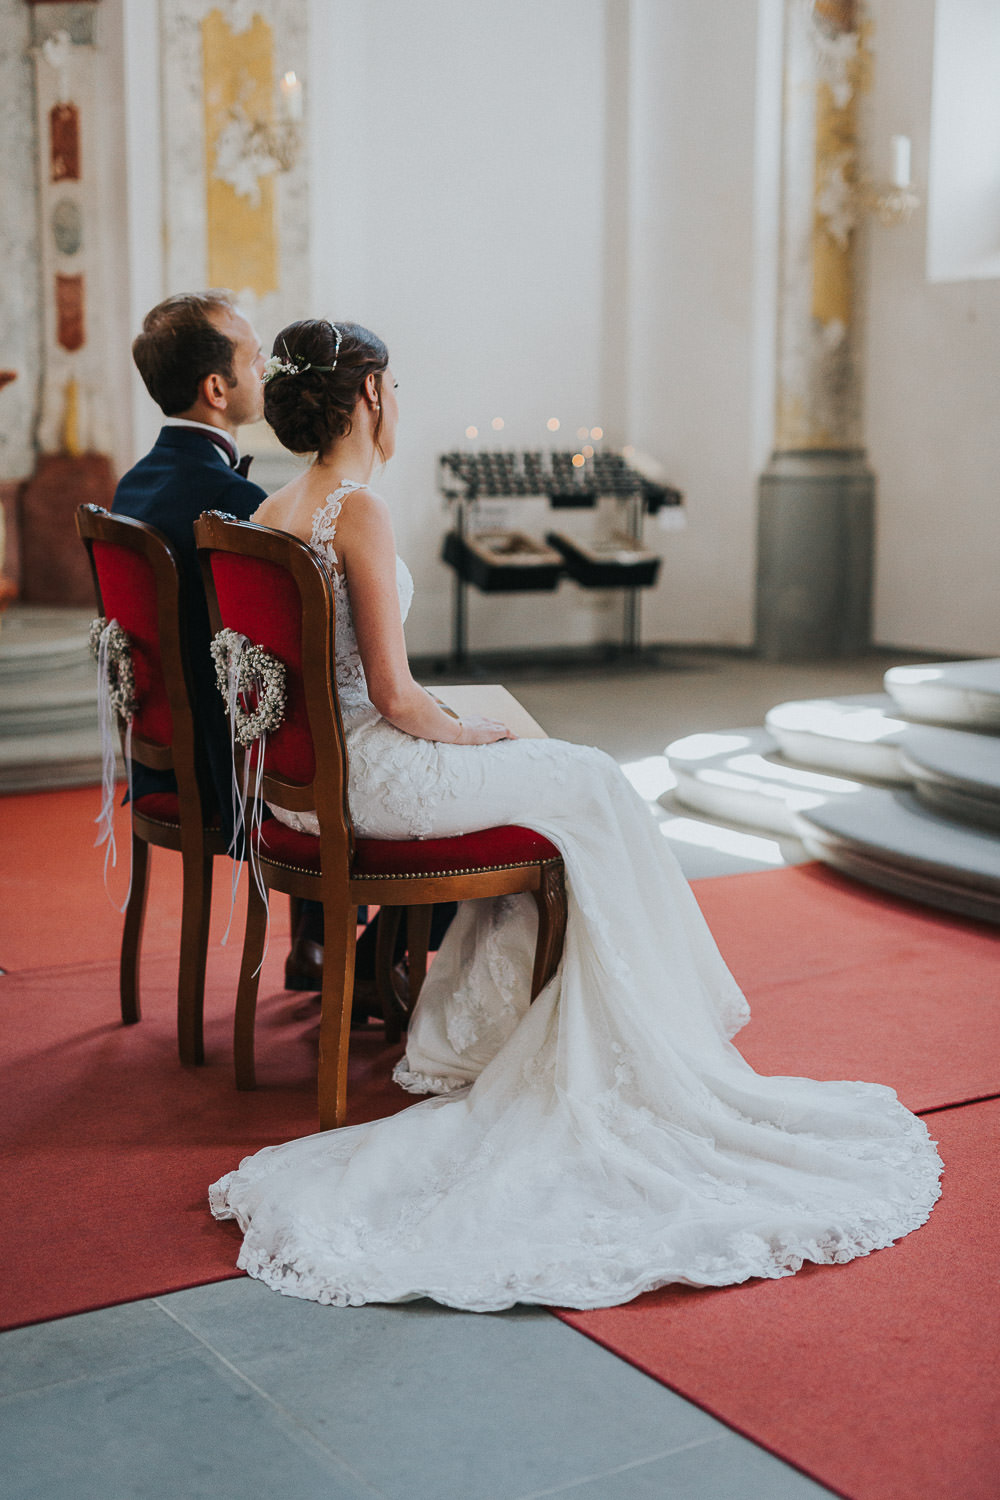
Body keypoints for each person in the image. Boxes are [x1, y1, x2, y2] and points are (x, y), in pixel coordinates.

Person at [210, 320, 942, 1312]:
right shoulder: (359, 510)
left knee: (570, 794)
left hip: (313, 783)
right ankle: (648, 1045)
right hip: (380, 772)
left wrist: (455, 724)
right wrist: (466, 736)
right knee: (594, 784)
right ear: (372, 394)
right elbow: (392, 695)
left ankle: (497, 1030)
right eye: (395, 387)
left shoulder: (270, 504)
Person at [113, 292, 327, 989]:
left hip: (160, 758)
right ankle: (355, 949)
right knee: (335, 726)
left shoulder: (131, 487)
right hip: (224, 770)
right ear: (217, 388)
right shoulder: (235, 506)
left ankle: (320, 946)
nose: (266, 368)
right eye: (253, 356)